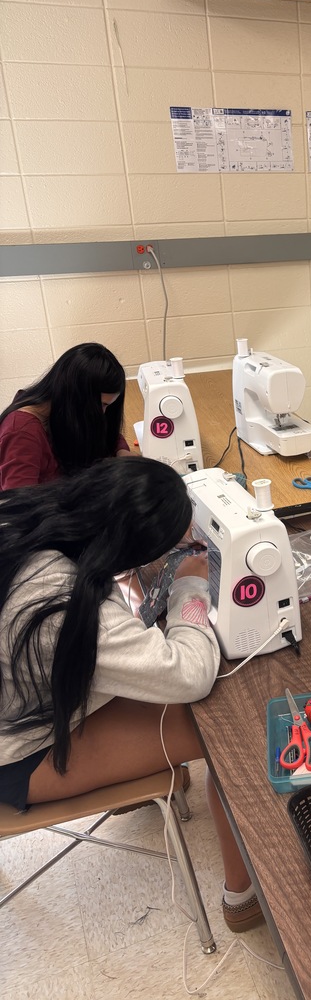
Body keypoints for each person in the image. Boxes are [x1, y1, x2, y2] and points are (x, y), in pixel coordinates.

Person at [0, 456, 263, 932]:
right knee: (230, 725)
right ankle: (243, 896)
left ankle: (138, 779)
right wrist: (189, 587)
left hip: (23, 709)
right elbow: (188, 675)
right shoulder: (59, 600)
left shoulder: (29, 519)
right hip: (17, 758)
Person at [0, 343, 131, 490]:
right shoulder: (22, 432)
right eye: (102, 405)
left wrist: (122, 451)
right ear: (77, 396)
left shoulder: (63, 411)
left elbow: (106, 430)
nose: (102, 413)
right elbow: (19, 506)